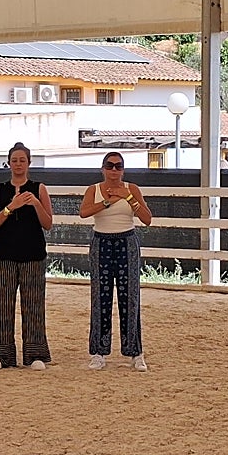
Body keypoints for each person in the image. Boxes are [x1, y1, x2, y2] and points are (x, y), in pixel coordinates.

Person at [79, 151, 153, 372]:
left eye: (118, 166)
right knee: (100, 297)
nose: (113, 170)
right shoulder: (94, 190)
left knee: (129, 297)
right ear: (103, 168)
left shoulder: (132, 189)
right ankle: (99, 352)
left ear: (123, 169)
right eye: (109, 166)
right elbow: (84, 212)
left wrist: (127, 197)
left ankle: (135, 352)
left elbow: (147, 219)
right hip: (101, 242)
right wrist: (107, 202)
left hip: (126, 241)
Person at [0, 142, 53, 371]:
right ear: (9, 163)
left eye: (22, 160)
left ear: (29, 163)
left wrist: (34, 203)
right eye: (14, 160)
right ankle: (1, 354)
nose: (18, 164)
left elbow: (48, 224)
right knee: (2, 304)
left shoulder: (39, 188)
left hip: (33, 255)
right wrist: (10, 207)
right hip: (4, 255)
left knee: (33, 305)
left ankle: (35, 354)